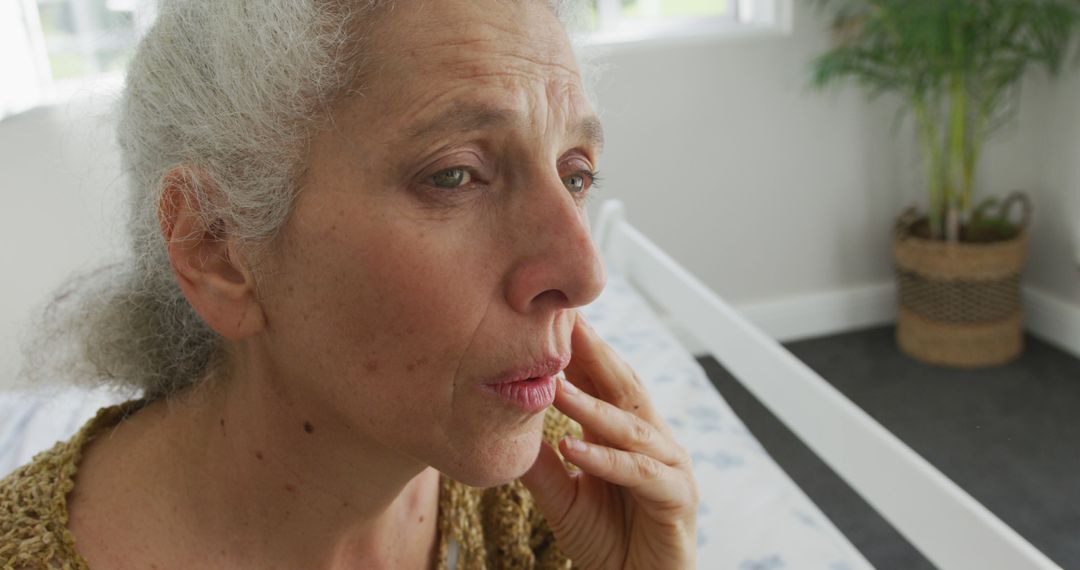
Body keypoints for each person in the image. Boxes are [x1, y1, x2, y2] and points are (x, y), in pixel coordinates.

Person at [0, 0, 698, 567]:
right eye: (455, 175)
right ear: (217, 248)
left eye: (575, 174)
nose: (585, 274)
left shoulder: (556, 493)